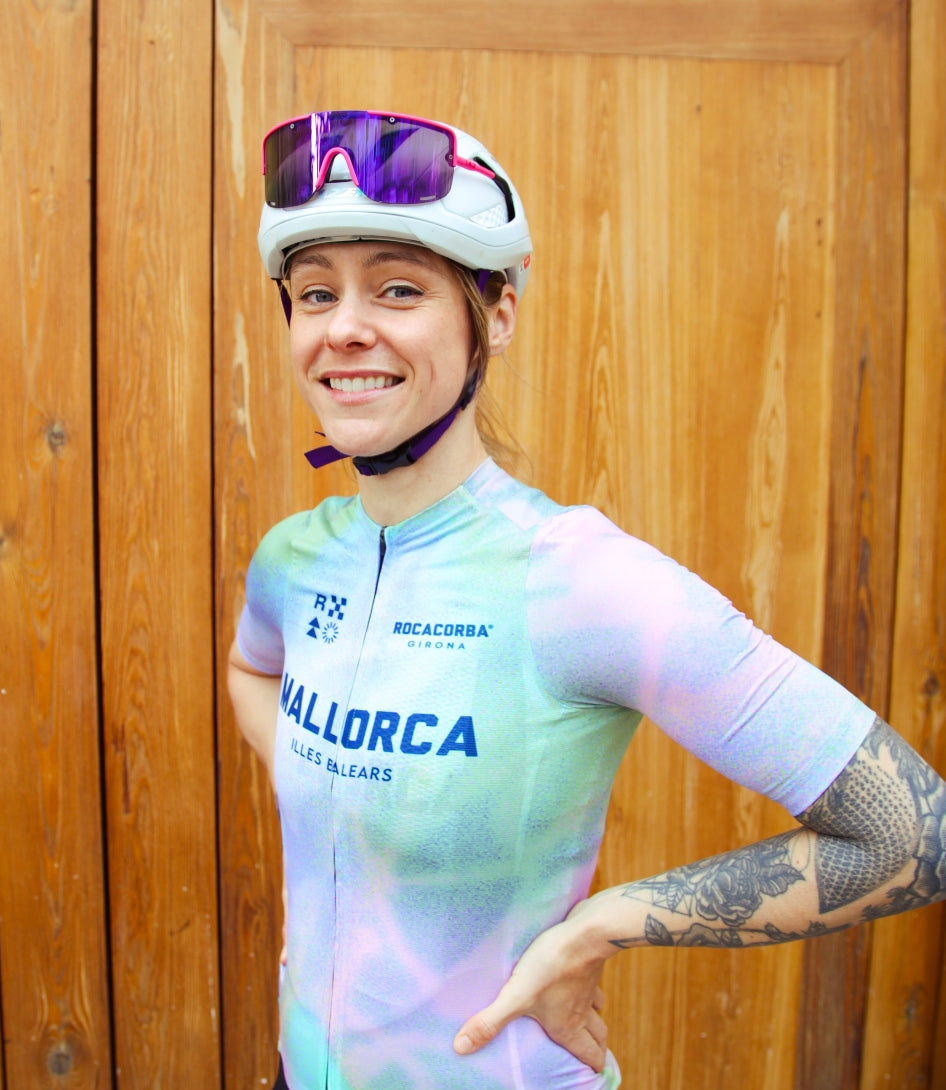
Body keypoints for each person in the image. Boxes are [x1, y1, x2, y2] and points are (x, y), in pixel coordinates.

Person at [227, 110, 946, 1090]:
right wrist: (335, 808)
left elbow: (913, 834)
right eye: (316, 293)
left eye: (397, 288)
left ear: (497, 315)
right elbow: (251, 670)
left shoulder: (577, 579)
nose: (344, 326)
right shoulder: (292, 559)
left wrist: (604, 925)